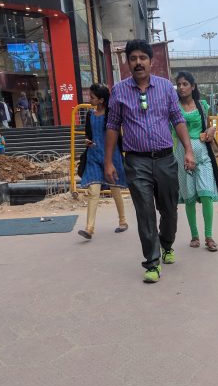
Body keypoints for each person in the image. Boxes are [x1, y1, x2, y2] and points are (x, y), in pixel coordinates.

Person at [105, 39, 195, 284]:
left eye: (142, 58)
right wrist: (108, 161)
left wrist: (188, 150)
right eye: (132, 58)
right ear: (127, 62)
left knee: (169, 211)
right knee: (145, 213)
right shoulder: (120, 91)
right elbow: (112, 126)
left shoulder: (166, 88)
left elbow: (178, 120)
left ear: (151, 61)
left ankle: (167, 244)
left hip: (165, 159)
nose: (138, 63)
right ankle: (152, 262)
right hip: (136, 162)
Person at [174, 71, 218, 252]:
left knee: (206, 194)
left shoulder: (202, 105)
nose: (181, 87)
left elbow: (210, 124)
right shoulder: (174, 107)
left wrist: (212, 130)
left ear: (193, 87)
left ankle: (209, 236)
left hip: (203, 155)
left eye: (185, 84)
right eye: (179, 84)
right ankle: (194, 235)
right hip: (182, 155)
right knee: (189, 198)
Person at [78, 83, 128, 239]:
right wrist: (88, 141)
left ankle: (123, 221)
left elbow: (117, 136)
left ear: (101, 100)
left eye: (92, 97)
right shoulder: (89, 115)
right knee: (93, 191)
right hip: (93, 155)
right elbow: (88, 134)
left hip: (111, 156)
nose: (89, 99)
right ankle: (89, 228)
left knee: (115, 189)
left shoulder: (112, 114)